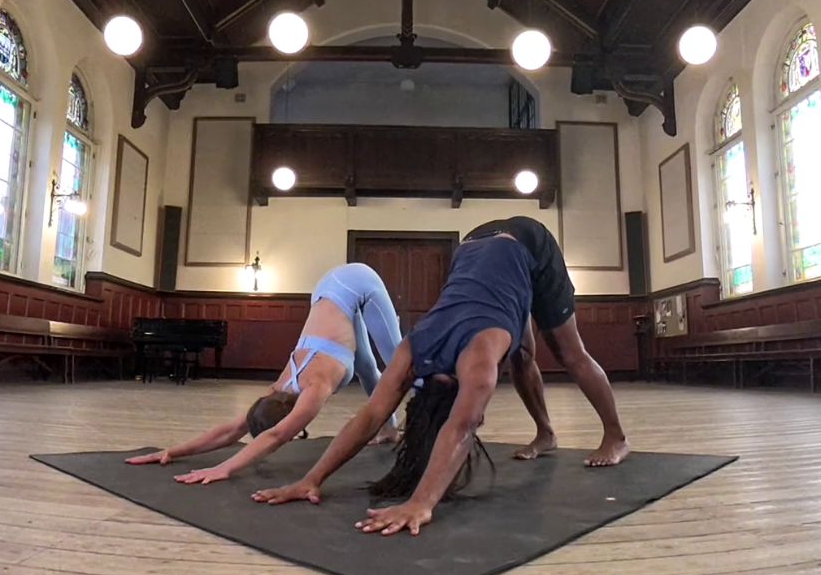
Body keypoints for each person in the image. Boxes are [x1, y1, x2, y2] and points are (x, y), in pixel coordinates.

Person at [249, 230, 535, 537]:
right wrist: (311, 479)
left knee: (528, 354)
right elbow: (371, 415)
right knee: (521, 344)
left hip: (512, 250)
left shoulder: (469, 362)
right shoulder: (417, 351)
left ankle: (545, 431)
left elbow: (461, 428)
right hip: (476, 254)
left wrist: (421, 503)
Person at [127, 263, 402, 484]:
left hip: (356, 280)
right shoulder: (276, 391)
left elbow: (276, 436)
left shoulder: (314, 387)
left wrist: (224, 468)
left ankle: (421, 414)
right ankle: (389, 430)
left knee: (400, 363)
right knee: (367, 368)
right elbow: (232, 429)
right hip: (326, 292)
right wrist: (173, 452)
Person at [463, 216, 630, 466]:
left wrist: (474, 406)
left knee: (569, 353)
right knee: (520, 355)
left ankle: (617, 437)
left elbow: (486, 360)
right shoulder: (463, 297)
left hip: (536, 250)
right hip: (501, 269)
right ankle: (546, 434)